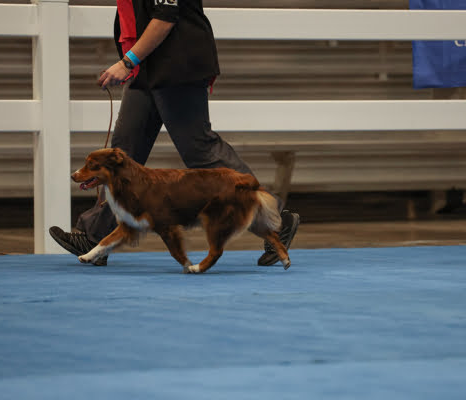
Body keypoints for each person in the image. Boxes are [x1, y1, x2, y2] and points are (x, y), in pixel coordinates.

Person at [49, 0, 299, 266]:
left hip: (176, 65)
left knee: (201, 151)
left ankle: (277, 220)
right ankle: (94, 236)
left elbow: (166, 15)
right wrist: (133, 60)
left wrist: (127, 60)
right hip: (145, 66)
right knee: (122, 152)